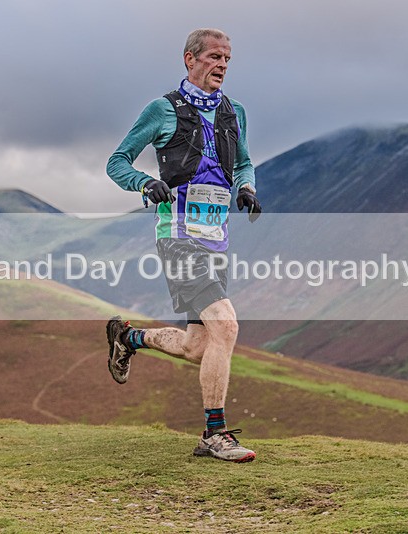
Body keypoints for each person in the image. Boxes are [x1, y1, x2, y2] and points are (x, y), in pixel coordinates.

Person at [105, 28, 262, 463]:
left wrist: (246, 188)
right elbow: (116, 162)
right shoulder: (162, 109)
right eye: (214, 57)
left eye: (228, 58)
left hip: (215, 240)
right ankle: (214, 434)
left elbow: (244, 162)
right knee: (227, 327)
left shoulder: (235, 111)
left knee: (200, 346)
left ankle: (128, 337)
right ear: (189, 59)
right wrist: (145, 183)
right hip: (177, 238)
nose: (223, 65)